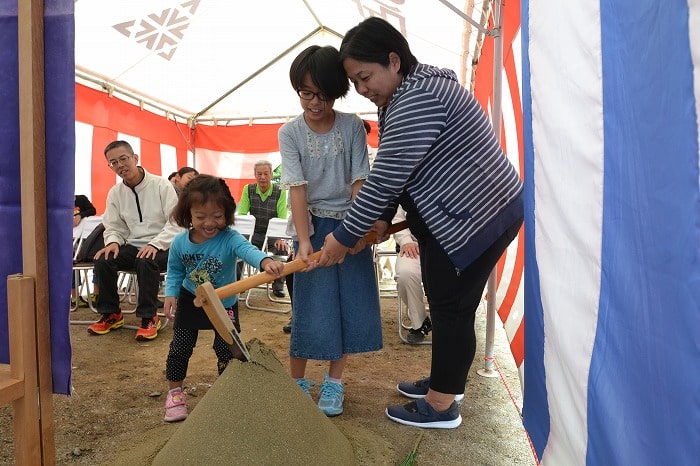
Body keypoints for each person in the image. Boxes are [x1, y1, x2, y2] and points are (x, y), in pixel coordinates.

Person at [319, 17, 523, 429]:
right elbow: (402, 175)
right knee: (451, 306)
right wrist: (376, 222)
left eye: (365, 77)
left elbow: (387, 175)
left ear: (394, 60)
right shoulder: (403, 95)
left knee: (450, 308)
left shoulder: (418, 97)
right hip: (459, 214)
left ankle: (441, 406)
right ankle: (445, 382)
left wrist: (342, 237)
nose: (361, 89)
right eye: (355, 81)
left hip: (474, 217)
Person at [278, 44, 382, 417]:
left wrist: (354, 232)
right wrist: (304, 241)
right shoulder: (289, 133)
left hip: (350, 223)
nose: (314, 102)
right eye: (307, 93)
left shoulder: (352, 125)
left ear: (336, 91)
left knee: (348, 306)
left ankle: (334, 384)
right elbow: (297, 188)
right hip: (311, 224)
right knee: (309, 307)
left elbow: (359, 181)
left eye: (322, 94)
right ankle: (297, 383)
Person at [161, 174, 285, 422]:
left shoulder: (229, 238)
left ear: (227, 214)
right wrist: (170, 294)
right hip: (191, 299)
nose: (209, 223)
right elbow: (175, 271)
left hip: (223, 303)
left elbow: (247, 250)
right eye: (200, 217)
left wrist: (265, 261)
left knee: (227, 349)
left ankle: (226, 392)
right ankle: (175, 393)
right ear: (188, 214)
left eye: (217, 216)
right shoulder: (179, 243)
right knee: (180, 347)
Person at [88, 140, 181, 340]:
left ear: (135, 158)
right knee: (104, 259)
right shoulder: (116, 193)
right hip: (133, 245)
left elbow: (176, 222)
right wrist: (113, 241)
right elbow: (114, 226)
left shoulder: (161, 185)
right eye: (114, 162)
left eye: (123, 159)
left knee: (145, 260)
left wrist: (155, 243)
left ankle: (149, 317)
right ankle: (111, 313)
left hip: (165, 245)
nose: (120, 165)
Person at [236, 160, 289, 297]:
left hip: (273, 235)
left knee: (282, 248)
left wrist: (280, 237)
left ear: (271, 175)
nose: (262, 177)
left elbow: (282, 217)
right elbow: (242, 214)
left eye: (266, 173)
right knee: (238, 247)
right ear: (255, 175)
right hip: (254, 233)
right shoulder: (248, 189)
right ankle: (236, 284)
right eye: (259, 174)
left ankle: (278, 285)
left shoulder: (280, 191)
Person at [393, 206, 432, 344]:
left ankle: (447, 322)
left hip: (445, 247)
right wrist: (406, 241)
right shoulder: (410, 187)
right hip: (414, 246)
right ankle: (420, 323)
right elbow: (398, 218)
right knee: (404, 275)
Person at [72, 194, 98, 307]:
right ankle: (74, 297)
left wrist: (81, 215)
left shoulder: (80, 199)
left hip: (84, 243)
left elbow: (93, 210)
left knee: (98, 255)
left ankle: (96, 294)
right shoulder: (57, 203)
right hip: (69, 245)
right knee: (68, 258)